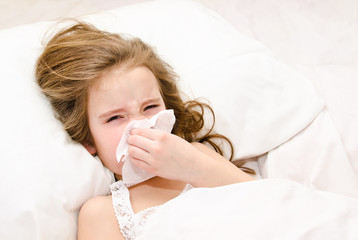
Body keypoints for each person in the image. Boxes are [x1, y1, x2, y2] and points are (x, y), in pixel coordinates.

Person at [35, 21, 255, 240]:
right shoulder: (103, 213)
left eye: (150, 107)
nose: (142, 124)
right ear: (88, 140)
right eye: (115, 117)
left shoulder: (197, 154)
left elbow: (265, 201)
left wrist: (193, 166)